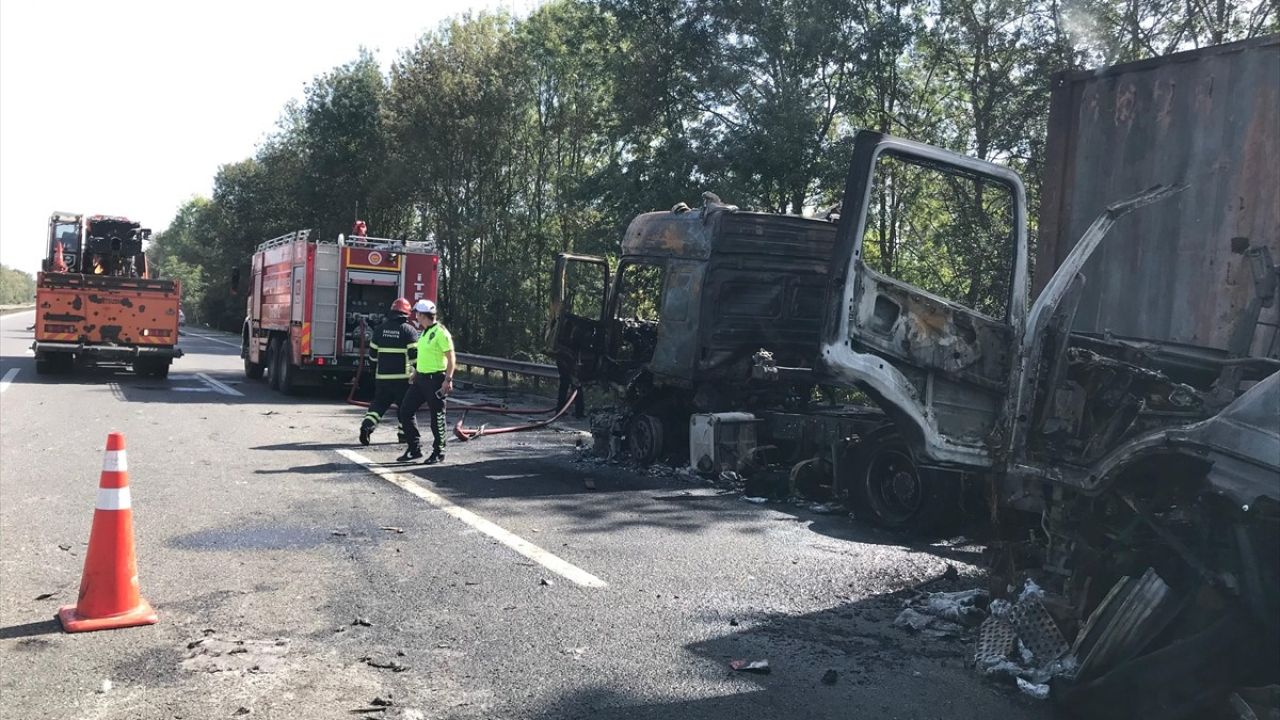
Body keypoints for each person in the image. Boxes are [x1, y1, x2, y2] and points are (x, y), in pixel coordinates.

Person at [396, 299, 456, 464]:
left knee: (436, 417)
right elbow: (424, 356)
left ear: (423, 315)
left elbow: (451, 358)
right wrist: (415, 373)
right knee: (405, 411)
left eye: (417, 313)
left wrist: (447, 380)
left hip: (436, 380)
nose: (415, 316)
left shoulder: (441, 332)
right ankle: (414, 449)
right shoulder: (424, 333)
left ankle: (439, 451)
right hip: (420, 379)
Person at [359, 298, 419, 446]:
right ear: (406, 314)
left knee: (378, 405)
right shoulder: (409, 330)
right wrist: (418, 372)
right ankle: (403, 435)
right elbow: (414, 356)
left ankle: (367, 426)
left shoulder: (380, 329)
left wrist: (373, 369)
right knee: (405, 408)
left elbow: (372, 354)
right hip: (403, 379)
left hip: (383, 378)